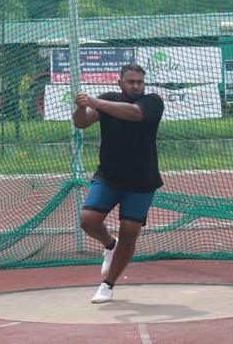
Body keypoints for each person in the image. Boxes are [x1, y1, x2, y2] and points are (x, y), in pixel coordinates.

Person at [73, 63, 164, 303]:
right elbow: (82, 123)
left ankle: (107, 285)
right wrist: (81, 107)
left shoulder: (153, 101)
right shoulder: (107, 99)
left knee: (130, 234)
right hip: (109, 177)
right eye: (131, 81)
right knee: (88, 221)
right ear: (120, 83)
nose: (136, 86)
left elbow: (133, 114)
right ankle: (109, 244)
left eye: (139, 82)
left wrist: (95, 102)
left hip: (141, 182)